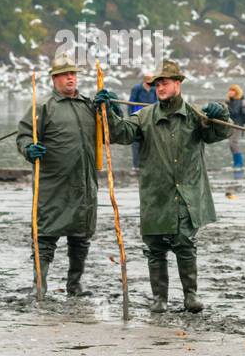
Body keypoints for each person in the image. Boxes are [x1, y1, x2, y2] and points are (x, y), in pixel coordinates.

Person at [97, 61, 231, 313]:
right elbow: (121, 134)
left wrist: (221, 115)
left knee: (184, 244)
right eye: (157, 84)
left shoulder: (195, 115)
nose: (159, 87)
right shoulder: (145, 116)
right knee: (155, 248)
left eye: (164, 83)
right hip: (155, 195)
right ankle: (160, 298)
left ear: (177, 84)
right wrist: (111, 111)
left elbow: (218, 134)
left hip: (186, 194)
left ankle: (190, 296)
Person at [15, 52, 99, 296]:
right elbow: (23, 135)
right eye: (64, 75)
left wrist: (107, 107)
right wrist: (30, 149)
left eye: (73, 74)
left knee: (80, 237)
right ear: (54, 79)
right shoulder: (43, 107)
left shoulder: (88, 105)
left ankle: (75, 283)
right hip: (53, 185)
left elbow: (111, 130)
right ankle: (39, 285)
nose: (70, 78)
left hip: (84, 183)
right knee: (45, 236)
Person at [127, 72, 157, 170]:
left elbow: (157, 103)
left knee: (150, 141)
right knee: (136, 142)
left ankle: (149, 164)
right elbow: (131, 103)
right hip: (138, 117)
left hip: (151, 118)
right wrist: (132, 117)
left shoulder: (154, 89)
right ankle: (136, 165)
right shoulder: (137, 88)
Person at [225, 84, 245, 177]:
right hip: (231, 125)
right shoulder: (231, 101)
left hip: (237, 125)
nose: (230, 92)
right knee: (231, 144)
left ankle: (239, 164)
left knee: (234, 143)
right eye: (229, 90)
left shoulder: (237, 101)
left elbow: (235, 112)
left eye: (232, 90)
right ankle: (236, 163)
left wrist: (226, 107)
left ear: (236, 92)